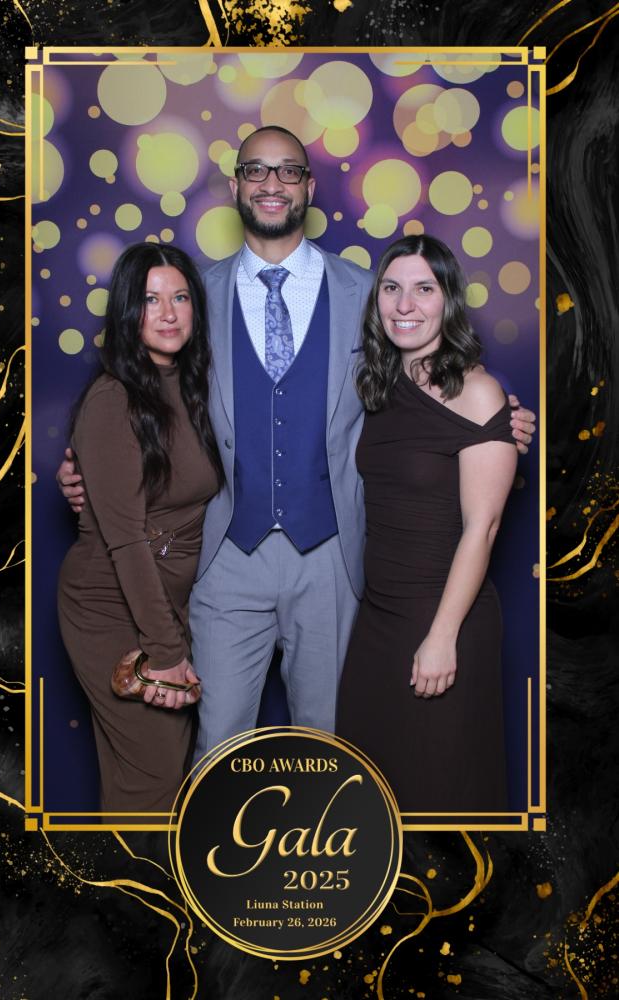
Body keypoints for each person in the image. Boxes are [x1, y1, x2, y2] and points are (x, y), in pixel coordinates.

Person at [58, 126, 536, 766]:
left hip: (333, 556)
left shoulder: (367, 292)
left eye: (288, 171)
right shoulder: (194, 295)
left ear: (308, 187)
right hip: (227, 554)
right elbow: (148, 393)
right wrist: (88, 467)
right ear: (236, 186)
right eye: (256, 170)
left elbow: (422, 377)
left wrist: (494, 421)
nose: (272, 184)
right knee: (217, 750)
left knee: (332, 749)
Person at [336, 235, 520, 813]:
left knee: (442, 799)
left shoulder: (478, 391)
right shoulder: (377, 386)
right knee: (368, 805)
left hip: (445, 618)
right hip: (378, 619)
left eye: (424, 288)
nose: (404, 304)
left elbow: (483, 527)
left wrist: (442, 637)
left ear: (448, 300)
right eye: (392, 288)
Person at [57, 242, 220, 813]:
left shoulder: (195, 386)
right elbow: (125, 539)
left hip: (166, 603)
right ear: (128, 311)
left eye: (180, 297)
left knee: (153, 779)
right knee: (152, 782)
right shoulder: (113, 398)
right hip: (110, 605)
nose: (169, 314)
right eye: (151, 300)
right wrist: (166, 651)